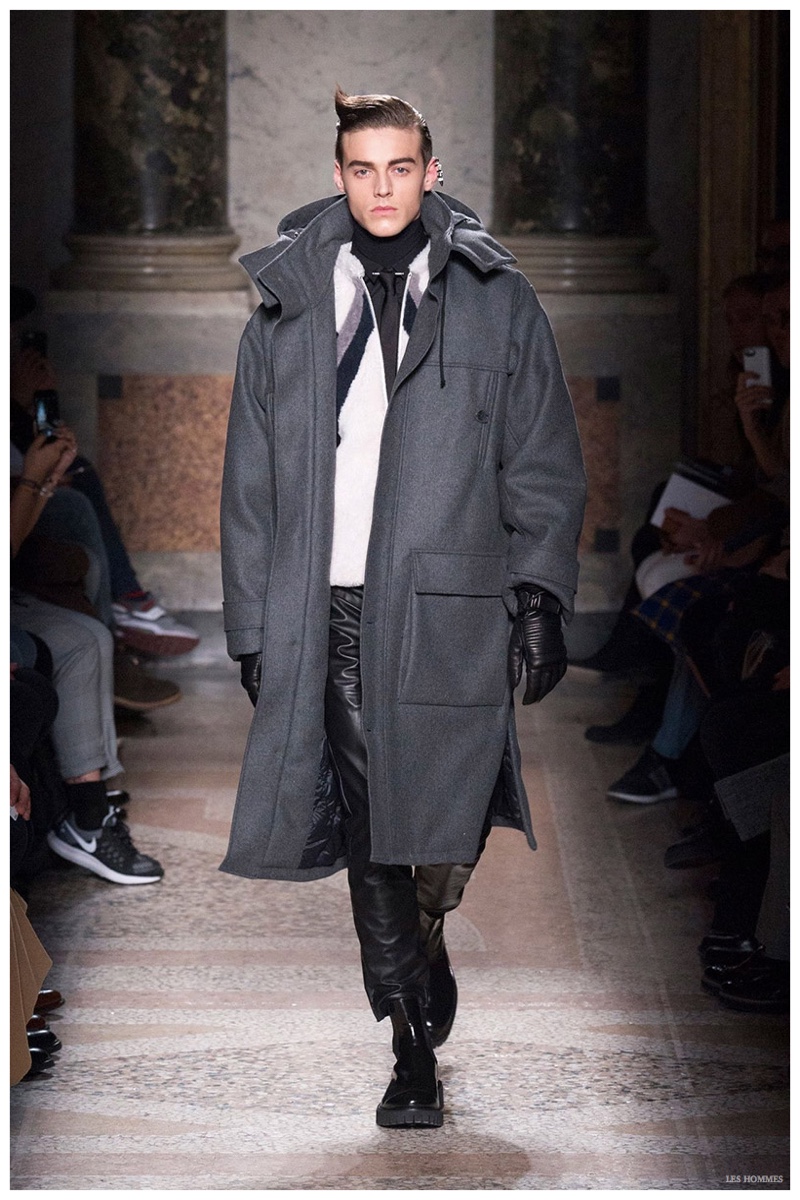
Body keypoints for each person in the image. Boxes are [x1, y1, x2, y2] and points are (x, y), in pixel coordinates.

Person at [219, 88, 586, 1127]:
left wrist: (539, 595)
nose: (380, 187)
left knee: (446, 832)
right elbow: (249, 479)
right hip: (330, 604)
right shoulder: (289, 303)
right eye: (360, 169)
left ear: (430, 172)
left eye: (398, 167)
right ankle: (409, 1041)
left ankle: (422, 947)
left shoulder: (497, 297)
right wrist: (253, 622)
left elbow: (541, 454)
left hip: (455, 606)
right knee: (375, 822)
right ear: (338, 176)